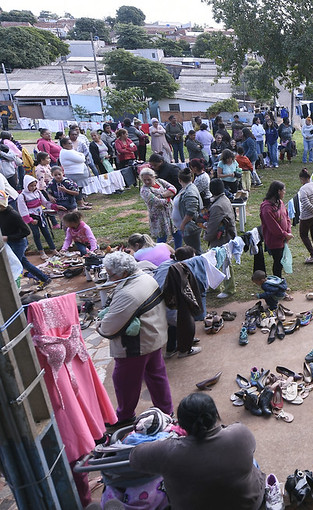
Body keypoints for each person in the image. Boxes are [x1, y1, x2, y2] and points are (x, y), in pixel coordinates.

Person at [129, 393, 266, 510]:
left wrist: (165, 440)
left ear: (181, 424)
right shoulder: (240, 433)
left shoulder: (168, 451)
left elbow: (134, 458)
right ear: (214, 415)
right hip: (248, 505)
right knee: (251, 462)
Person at [97, 251, 172, 426]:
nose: (109, 278)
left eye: (111, 275)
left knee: (124, 382)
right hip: (154, 337)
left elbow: (109, 327)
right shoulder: (145, 277)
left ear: (123, 272)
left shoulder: (128, 293)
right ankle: (166, 411)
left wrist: (99, 324)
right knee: (156, 375)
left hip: (136, 345)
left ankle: (125, 416)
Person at [0, 191, 50, 285]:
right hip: (10, 242)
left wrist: (8, 238)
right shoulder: (1, 214)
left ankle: (15, 287)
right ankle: (44, 278)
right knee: (23, 262)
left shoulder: (13, 215)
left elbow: (26, 232)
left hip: (18, 243)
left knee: (15, 266)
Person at [205, 179, 236, 298]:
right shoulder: (224, 199)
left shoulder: (217, 206)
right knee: (216, 262)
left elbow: (212, 226)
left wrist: (207, 236)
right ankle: (215, 286)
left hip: (221, 238)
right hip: (226, 235)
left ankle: (229, 289)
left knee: (225, 263)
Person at [260, 180, 293, 278]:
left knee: (281, 261)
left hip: (284, 238)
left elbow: (286, 217)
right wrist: (285, 234)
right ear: (278, 191)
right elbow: (273, 227)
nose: (285, 192)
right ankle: (278, 283)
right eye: (284, 190)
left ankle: (280, 281)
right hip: (274, 240)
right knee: (278, 262)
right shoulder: (267, 208)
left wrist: (288, 232)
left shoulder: (280, 203)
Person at [17, 175, 56, 256]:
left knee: (46, 232)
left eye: (35, 185)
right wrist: (30, 220)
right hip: (32, 217)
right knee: (36, 234)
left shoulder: (38, 192)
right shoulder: (22, 196)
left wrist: (53, 206)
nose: (33, 187)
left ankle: (53, 249)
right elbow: (23, 210)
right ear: (26, 185)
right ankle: (41, 251)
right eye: (31, 186)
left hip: (40, 215)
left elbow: (44, 202)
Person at [139, 167, 178, 245]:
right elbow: (157, 202)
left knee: (177, 232)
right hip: (158, 216)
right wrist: (168, 196)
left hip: (170, 212)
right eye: (144, 180)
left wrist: (161, 195)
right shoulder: (144, 190)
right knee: (161, 236)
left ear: (154, 177)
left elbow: (173, 189)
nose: (146, 182)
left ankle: (178, 250)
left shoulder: (160, 181)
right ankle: (160, 254)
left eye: (149, 179)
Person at [173, 171, 203, 254]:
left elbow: (191, 212)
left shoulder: (190, 192)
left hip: (190, 227)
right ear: (192, 178)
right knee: (193, 249)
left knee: (195, 251)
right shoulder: (187, 188)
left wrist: (182, 224)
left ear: (179, 180)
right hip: (188, 226)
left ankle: (201, 266)